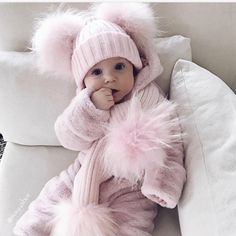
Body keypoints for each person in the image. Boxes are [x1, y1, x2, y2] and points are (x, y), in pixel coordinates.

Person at [13, 3, 186, 236]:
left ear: (134, 68)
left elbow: (171, 146)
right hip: (83, 172)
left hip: (131, 186)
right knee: (49, 200)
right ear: (83, 81)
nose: (109, 78)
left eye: (119, 67)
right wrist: (92, 108)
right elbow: (69, 137)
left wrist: (162, 184)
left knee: (133, 223)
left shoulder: (151, 100)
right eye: (96, 72)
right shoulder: (84, 103)